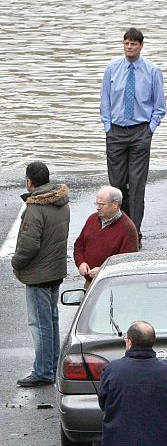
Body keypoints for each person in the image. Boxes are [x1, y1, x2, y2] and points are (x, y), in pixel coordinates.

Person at [100, 28, 166, 244]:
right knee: (116, 184)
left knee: (137, 185)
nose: (129, 47)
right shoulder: (112, 69)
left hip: (140, 132)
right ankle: (118, 225)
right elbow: (105, 101)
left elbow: (160, 106)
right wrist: (108, 127)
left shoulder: (152, 71)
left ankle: (133, 231)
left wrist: (150, 130)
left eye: (133, 44)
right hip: (116, 132)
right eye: (126, 43)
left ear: (141, 46)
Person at [11, 161, 70, 388]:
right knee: (51, 320)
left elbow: (28, 246)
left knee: (40, 323)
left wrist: (16, 263)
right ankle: (52, 365)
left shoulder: (35, 209)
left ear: (29, 181)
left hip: (38, 274)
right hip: (55, 271)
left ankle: (43, 371)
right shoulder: (61, 202)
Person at [74, 185, 138, 287]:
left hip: (112, 286)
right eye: (97, 203)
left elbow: (127, 263)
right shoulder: (92, 219)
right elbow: (79, 245)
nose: (97, 207)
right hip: (90, 283)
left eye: (101, 204)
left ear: (115, 204)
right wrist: (81, 263)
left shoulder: (128, 228)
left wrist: (103, 271)